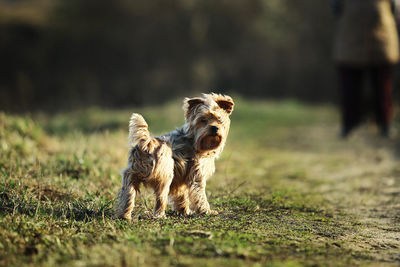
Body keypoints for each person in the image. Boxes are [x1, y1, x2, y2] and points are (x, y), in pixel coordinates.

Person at [331, 0, 400, 137]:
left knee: (382, 88)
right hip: (352, 41)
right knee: (350, 86)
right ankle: (349, 124)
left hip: (381, 38)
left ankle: (384, 123)